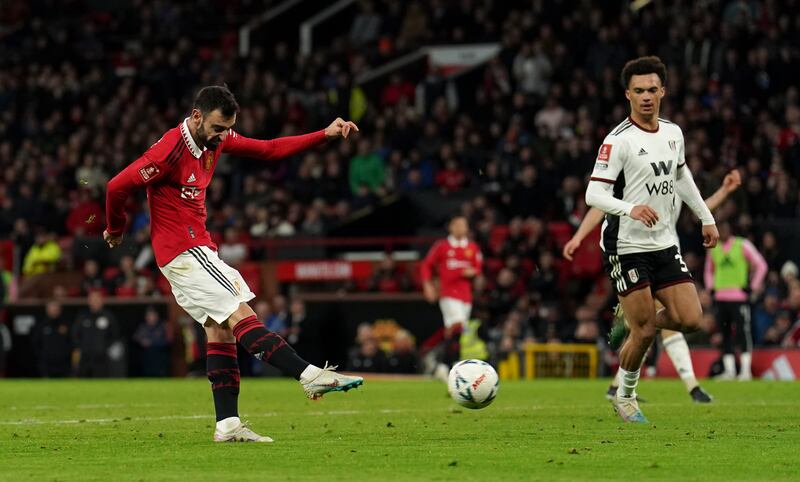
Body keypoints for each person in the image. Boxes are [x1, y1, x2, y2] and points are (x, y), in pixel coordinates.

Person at [104, 85, 363, 443]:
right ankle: (308, 375)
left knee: (220, 330)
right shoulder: (168, 151)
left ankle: (227, 425)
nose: (223, 136)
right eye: (217, 128)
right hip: (183, 251)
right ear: (196, 117)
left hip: (197, 250)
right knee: (241, 314)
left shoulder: (216, 139)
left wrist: (324, 134)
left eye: (227, 128)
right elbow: (116, 186)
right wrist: (115, 230)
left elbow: (269, 150)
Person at [583, 56, 719, 423]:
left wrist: (706, 217)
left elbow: (681, 175)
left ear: (663, 92)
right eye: (639, 91)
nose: (646, 97)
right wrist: (630, 209)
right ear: (628, 94)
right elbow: (593, 196)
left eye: (652, 90)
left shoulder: (674, 133)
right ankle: (625, 397)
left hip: (662, 242)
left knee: (691, 319)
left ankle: (630, 318)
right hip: (625, 246)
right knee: (644, 333)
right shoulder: (618, 141)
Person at [565, 170, 741, 403]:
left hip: (668, 254)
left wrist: (725, 191)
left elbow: (699, 206)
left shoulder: (671, 173)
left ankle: (620, 379)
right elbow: (600, 204)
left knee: (661, 325)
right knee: (657, 328)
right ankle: (692, 387)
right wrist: (579, 237)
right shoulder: (634, 175)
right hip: (637, 255)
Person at [420, 215, 483, 382]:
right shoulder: (442, 246)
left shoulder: (472, 247)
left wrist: (472, 272)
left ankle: (442, 366)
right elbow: (426, 264)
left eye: (464, 225)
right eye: (458, 225)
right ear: (451, 227)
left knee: (456, 332)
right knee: (457, 326)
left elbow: (478, 267)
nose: (461, 228)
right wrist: (428, 284)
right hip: (449, 294)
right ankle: (453, 364)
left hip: (466, 296)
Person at [704, 219, 767, 381]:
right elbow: (708, 270)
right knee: (724, 335)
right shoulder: (713, 248)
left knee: (742, 333)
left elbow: (761, 265)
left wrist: (752, 286)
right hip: (720, 298)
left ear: (730, 230)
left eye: (724, 228)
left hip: (739, 297)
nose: (722, 232)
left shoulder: (742, 245)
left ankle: (745, 371)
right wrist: (711, 287)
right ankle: (730, 371)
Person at [72, 290, 121, 378]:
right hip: (85, 358)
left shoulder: (108, 316)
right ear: (89, 301)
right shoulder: (82, 317)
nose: (95, 302)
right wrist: (81, 347)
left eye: (97, 299)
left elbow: (114, 335)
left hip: (101, 359)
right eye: (92, 299)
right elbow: (75, 334)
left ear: (101, 301)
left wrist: (104, 348)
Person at [33, 300, 73, 377]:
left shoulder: (66, 325)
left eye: (56, 309)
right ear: (47, 310)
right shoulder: (41, 326)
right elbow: (35, 343)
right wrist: (43, 356)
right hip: (46, 364)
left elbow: (72, 341)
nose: (54, 311)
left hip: (64, 364)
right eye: (52, 309)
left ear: (60, 310)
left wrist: (65, 354)